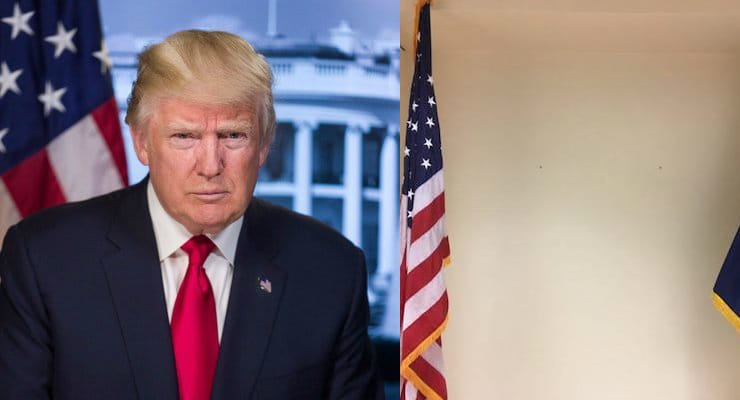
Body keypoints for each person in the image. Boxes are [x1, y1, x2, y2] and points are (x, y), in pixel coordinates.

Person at [0, 30, 383, 399]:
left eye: (233, 136)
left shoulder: (331, 272)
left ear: (265, 145)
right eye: (184, 137)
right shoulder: (45, 259)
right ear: (141, 142)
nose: (210, 166)